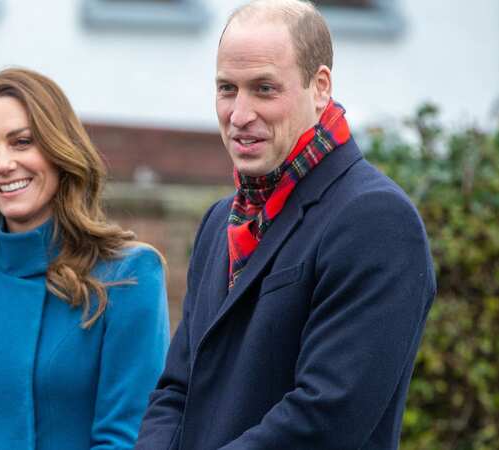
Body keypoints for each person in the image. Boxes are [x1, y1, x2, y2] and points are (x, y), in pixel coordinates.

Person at [135, 1, 436, 449]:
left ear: (320, 87)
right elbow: (177, 390)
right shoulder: (222, 222)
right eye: (226, 89)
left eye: (264, 89)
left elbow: (325, 418)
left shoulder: (377, 220)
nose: (239, 114)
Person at [0, 67, 170, 450]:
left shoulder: (130, 275)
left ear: (58, 148)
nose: (1, 164)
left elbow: (126, 438)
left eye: (22, 142)